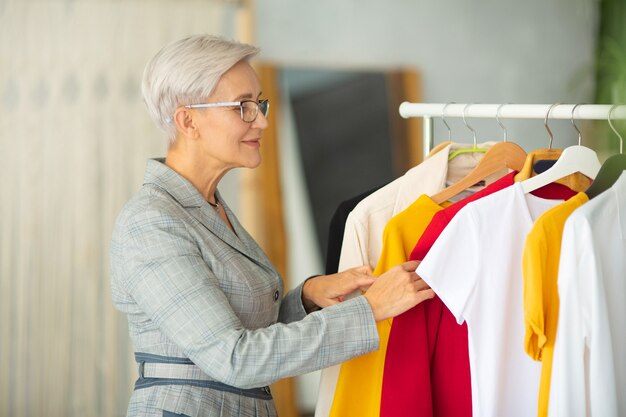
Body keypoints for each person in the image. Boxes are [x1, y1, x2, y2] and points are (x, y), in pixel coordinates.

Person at [110, 34, 434, 417]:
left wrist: (306, 299)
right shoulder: (152, 223)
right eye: (243, 107)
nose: (261, 120)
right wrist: (370, 310)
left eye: (258, 103)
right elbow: (235, 358)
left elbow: (236, 326)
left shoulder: (209, 208)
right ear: (188, 120)